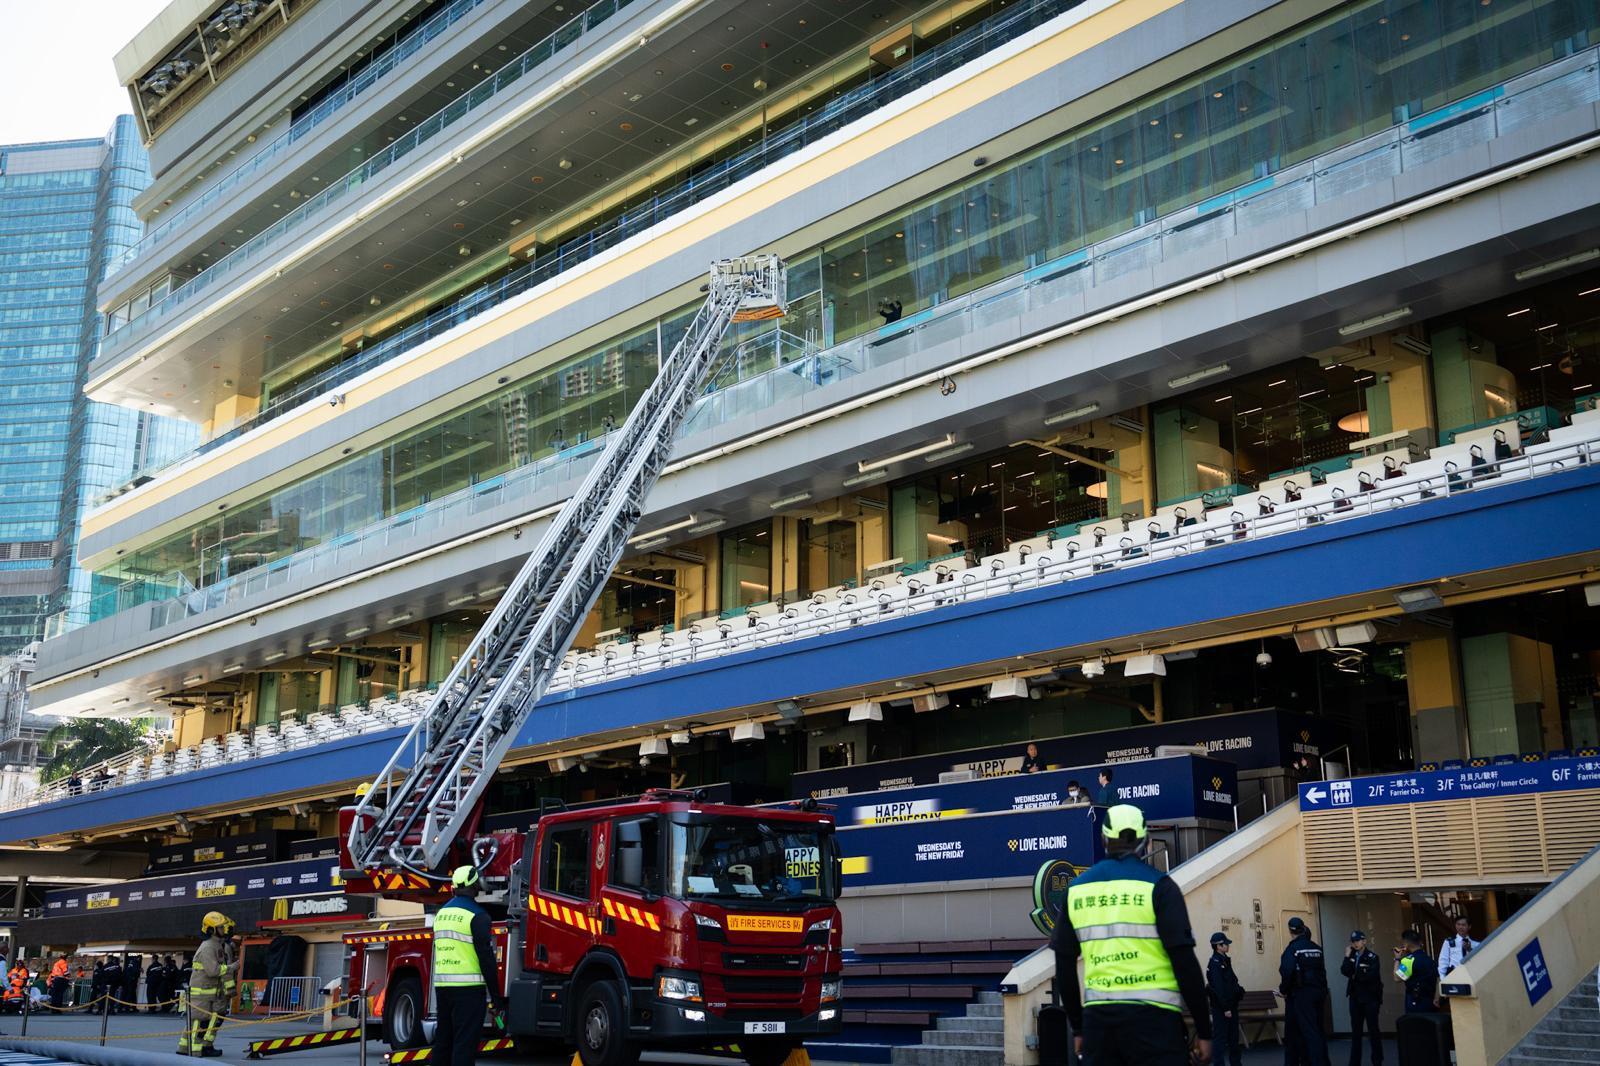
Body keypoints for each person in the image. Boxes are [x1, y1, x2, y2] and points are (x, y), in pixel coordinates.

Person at [1052, 804, 1211, 1066]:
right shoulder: (1161, 887)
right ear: (1146, 841)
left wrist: (1079, 1028)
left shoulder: (1076, 890)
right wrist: (1204, 1032)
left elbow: (1064, 966)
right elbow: (1185, 963)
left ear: (1104, 839)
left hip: (1099, 1027)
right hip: (1156, 1026)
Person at [432, 865, 508, 1066]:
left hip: (443, 988)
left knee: (443, 1042)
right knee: (464, 1046)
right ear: (476, 886)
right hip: (469, 991)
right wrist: (497, 999)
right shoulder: (478, 916)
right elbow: (486, 959)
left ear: (454, 887)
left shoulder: (441, 914)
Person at [179, 911, 235, 1057]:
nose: (224, 930)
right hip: (202, 992)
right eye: (221, 927)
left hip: (206, 991)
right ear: (212, 929)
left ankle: (185, 1048)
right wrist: (232, 967)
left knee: (197, 1021)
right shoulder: (209, 947)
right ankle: (196, 1051)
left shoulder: (214, 945)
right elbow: (213, 971)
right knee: (200, 1021)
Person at [1278, 917, 1330, 1066]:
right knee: (1318, 1029)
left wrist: (1284, 990)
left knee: (1307, 1032)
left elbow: (1287, 971)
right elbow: (1322, 972)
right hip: (1319, 993)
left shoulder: (1293, 949)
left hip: (1301, 994)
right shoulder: (1316, 948)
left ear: (1290, 930)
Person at [1340, 931, 1383, 1066]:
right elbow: (1344, 971)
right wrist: (1347, 957)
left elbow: (1369, 976)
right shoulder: (1351, 956)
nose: (1355, 943)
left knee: (1373, 1031)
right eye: (1353, 941)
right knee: (1356, 1032)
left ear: (1364, 941)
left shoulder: (1373, 957)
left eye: (1358, 941)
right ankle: (1354, 1062)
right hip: (1355, 999)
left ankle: (1377, 1060)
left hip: (1370, 999)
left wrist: (1355, 975)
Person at [1206, 932, 1245, 1066]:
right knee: (1220, 1040)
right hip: (1222, 1008)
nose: (1228, 946)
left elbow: (1231, 982)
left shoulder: (1225, 960)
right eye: (1225, 944)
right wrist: (1225, 1008)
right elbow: (1218, 989)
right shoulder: (1215, 963)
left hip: (1231, 1006)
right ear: (1218, 946)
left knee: (1234, 1039)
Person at [1393, 930, 1437, 1014]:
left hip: (1415, 1002)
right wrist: (1437, 997)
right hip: (1430, 1001)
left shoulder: (1408, 960)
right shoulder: (1430, 959)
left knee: (1414, 1025)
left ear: (1406, 944)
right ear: (1420, 942)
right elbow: (1438, 979)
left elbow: (1397, 978)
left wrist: (1397, 959)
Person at [1435, 916, 1478, 997]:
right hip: (1454, 975)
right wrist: (1443, 978)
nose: (1460, 927)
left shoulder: (1475, 943)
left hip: (1471, 976)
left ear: (1469, 926)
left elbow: (1479, 960)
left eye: (1463, 925)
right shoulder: (1449, 941)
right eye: (1458, 924)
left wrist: (1469, 949)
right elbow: (1443, 961)